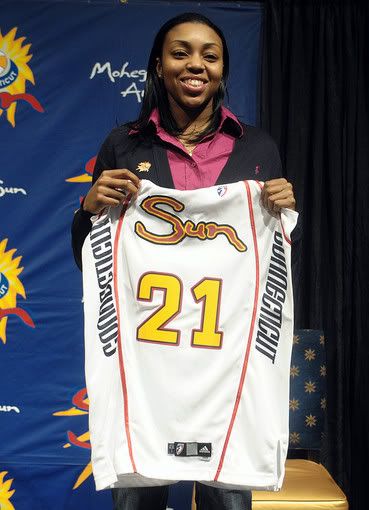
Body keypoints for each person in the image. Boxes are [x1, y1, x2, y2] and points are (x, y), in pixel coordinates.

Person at [71, 12, 296, 510]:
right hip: (147, 374)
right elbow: (94, 261)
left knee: (228, 503)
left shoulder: (257, 147)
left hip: (225, 370)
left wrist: (282, 214)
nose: (196, 64)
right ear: (158, 65)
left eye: (209, 55)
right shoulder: (124, 146)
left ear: (222, 69)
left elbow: (269, 270)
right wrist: (88, 210)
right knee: (137, 502)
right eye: (181, 52)